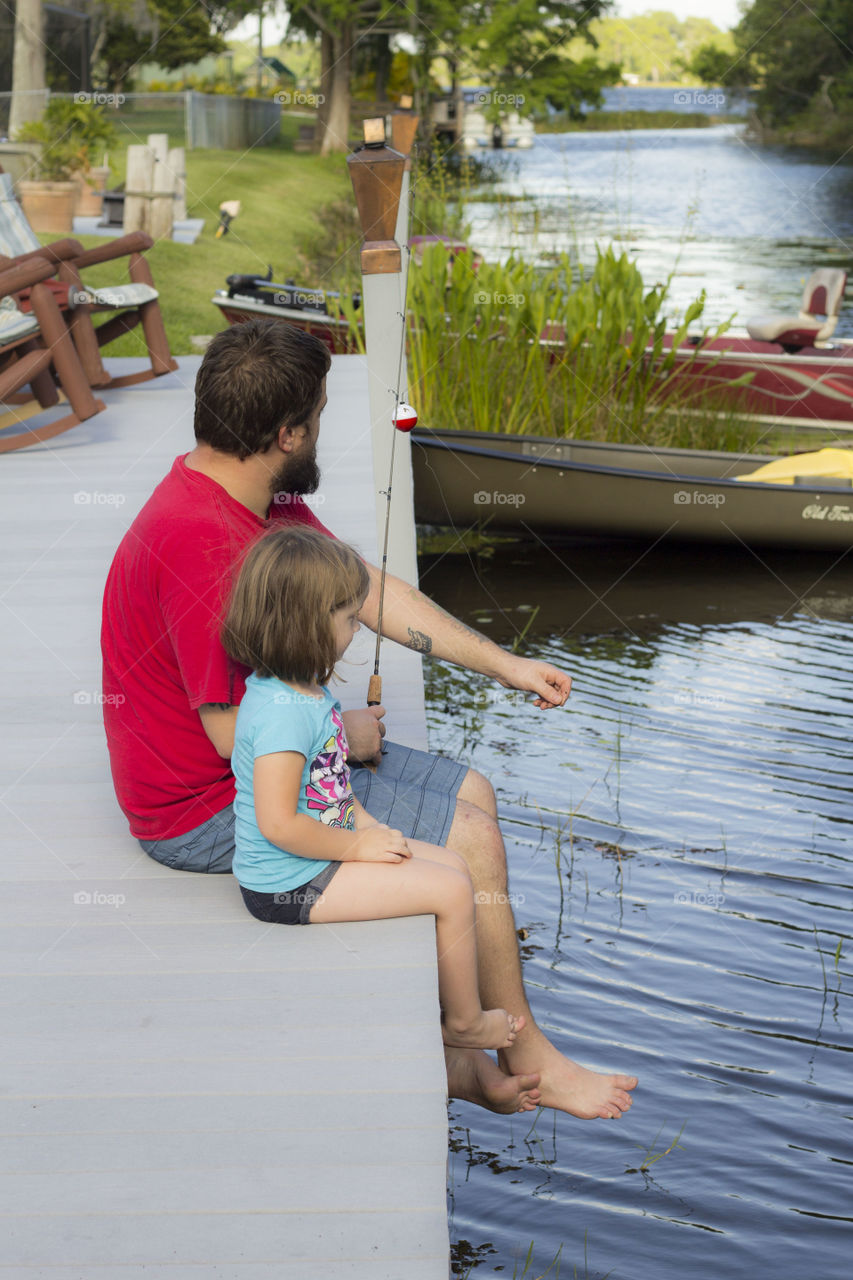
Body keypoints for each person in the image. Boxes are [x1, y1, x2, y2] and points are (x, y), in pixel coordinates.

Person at [101, 317, 637, 1120]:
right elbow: (225, 735)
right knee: (470, 838)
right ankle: (522, 1054)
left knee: (474, 790)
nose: (323, 430)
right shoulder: (204, 543)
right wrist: (341, 733)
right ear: (287, 432)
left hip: (272, 747)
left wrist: (505, 663)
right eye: (319, 414)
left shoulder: (257, 495)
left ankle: (464, 1057)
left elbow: (364, 587)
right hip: (202, 808)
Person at [224, 524, 524, 1053]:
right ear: (310, 626)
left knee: (455, 866)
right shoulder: (280, 717)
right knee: (451, 889)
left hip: (322, 857)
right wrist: (358, 847)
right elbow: (279, 823)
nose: (355, 631)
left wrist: (367, 826)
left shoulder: (306, 693)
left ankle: (450, 995)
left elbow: (331, 786)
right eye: (347, 619)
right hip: (287, 884)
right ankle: (464, 1022)